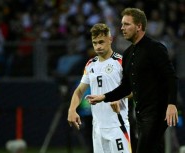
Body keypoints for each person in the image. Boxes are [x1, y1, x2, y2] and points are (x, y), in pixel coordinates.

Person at [86, 8, 178, 153]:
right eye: (122, 24)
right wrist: (103, 97)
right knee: (154, 149)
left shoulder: (155, 48)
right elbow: (126, 88)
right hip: (140, 113)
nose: (122, 28)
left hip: (156, 112)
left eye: (127, 24)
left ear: (139, 26)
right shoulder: (128, 54)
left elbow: (171, 77)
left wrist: (172, 104)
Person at [67, 23, 132, 153]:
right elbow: (79, 91)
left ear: (110, 39)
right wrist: (72, 110)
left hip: (117, 125)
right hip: (97, 128)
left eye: (101, 42)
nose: (98, 46)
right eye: (95, 43)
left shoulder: (121, 62)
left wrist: (118, 97)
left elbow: (135, 90)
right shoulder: (90, 64)